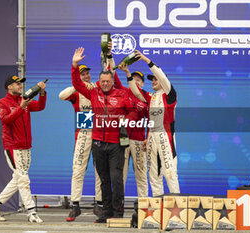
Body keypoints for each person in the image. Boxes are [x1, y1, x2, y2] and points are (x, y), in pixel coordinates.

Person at [71, 47, 138, 223]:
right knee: (104, 180)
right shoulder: (93, 93)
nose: (105, 83)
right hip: (98, 143)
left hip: (116, 144)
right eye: (103, 81)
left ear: (112, 81)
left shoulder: (122, 94)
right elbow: (77, 84)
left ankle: (118, 213)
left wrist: (127, 120)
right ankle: (106, 212)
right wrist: (74, 64)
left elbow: (133, 111)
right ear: (99, 82)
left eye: (108, 81)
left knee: (116, 179)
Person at [0, 75, 47, 223]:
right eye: (17, 84)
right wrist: (21, 107)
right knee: (24, 179)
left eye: (21, 83)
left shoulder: (24, 100)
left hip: (26, 146)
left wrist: (43, 93)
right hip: (12, 146)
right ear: (9, 87)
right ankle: (31, 213)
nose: (20, 86)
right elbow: (6, 120)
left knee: (18, 179)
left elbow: (40, 107)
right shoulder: (2, 103)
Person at [126, 51, 180, 196]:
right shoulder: (151, 97)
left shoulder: (170, 95)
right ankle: (158, 210)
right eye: (152, 80)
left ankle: (177, 208)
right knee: (154, 175)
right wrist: (127, 73)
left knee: (169, 173)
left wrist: (146, 60)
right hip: (151, 139)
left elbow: (162, 76)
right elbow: (137, 92)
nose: (154, 81)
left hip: (165, 138)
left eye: (156, 79)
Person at [59, 64, 103, 222]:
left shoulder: (97, 88)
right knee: (78, 170)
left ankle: (99, 205)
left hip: (99, 133)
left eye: (87, 74)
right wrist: (77, 84)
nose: (86, 76)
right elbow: (61, 96)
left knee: (100, 171)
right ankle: (75, 205)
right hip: (83, 132)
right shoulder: (76, 92)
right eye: (82, 74)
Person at [106, 51, 149, 198]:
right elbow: (113, 74)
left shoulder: (147, 97)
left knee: (141, 174)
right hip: (122, 140)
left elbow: (152, 120)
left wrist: (148, 138)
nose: (136, 82)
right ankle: (118, 206)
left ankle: (144, 206)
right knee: (120, 175)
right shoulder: (123, 91)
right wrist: (110, 57)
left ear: (143, 83)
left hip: (138, 140)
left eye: (139, 80)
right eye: (134, 79)